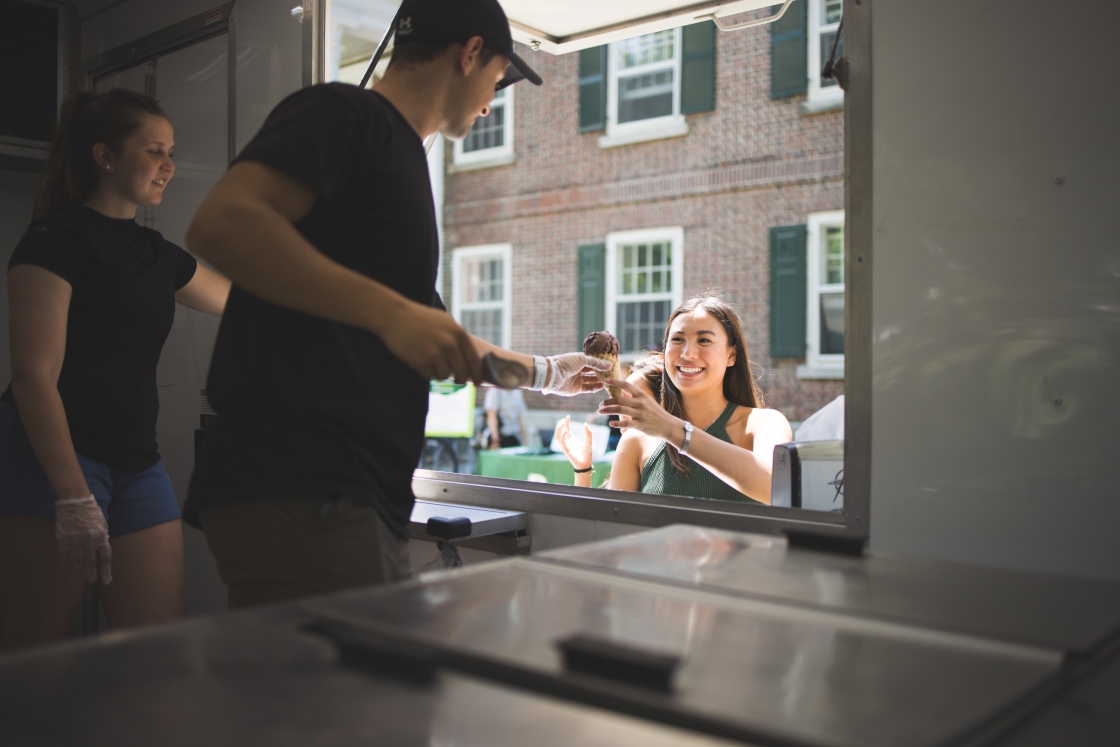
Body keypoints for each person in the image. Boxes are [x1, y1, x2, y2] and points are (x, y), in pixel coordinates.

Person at [182, 0, 608, 608]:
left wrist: (548, 373)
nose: (492, 99)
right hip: (305, 479)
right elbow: (221, 223)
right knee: (334, 696)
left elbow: (436, 337)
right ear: (468, 54)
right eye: (496, 77)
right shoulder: (344, 113)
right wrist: (389, 313)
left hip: (354, 489)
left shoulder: (404, 163)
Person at [0, 89, 230, 651]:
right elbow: (34, 376)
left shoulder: (155, 254)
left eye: (171, 152)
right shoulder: (53, 242)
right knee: (31, 659)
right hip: (50, 462)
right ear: (105, 156)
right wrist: (73, 495)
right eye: (154, 152)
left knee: (158, 655)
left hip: (137, 466)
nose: (169, 166)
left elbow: (243, 300)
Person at [555, 295, 793, 504]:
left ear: (731, 355)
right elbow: (608, 533)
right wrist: (583, 470)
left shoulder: (764, 424)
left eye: (704, 340)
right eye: (677, 340)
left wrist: (672, 429)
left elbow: (776, 487)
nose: (688, 353)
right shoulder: (636, 442)